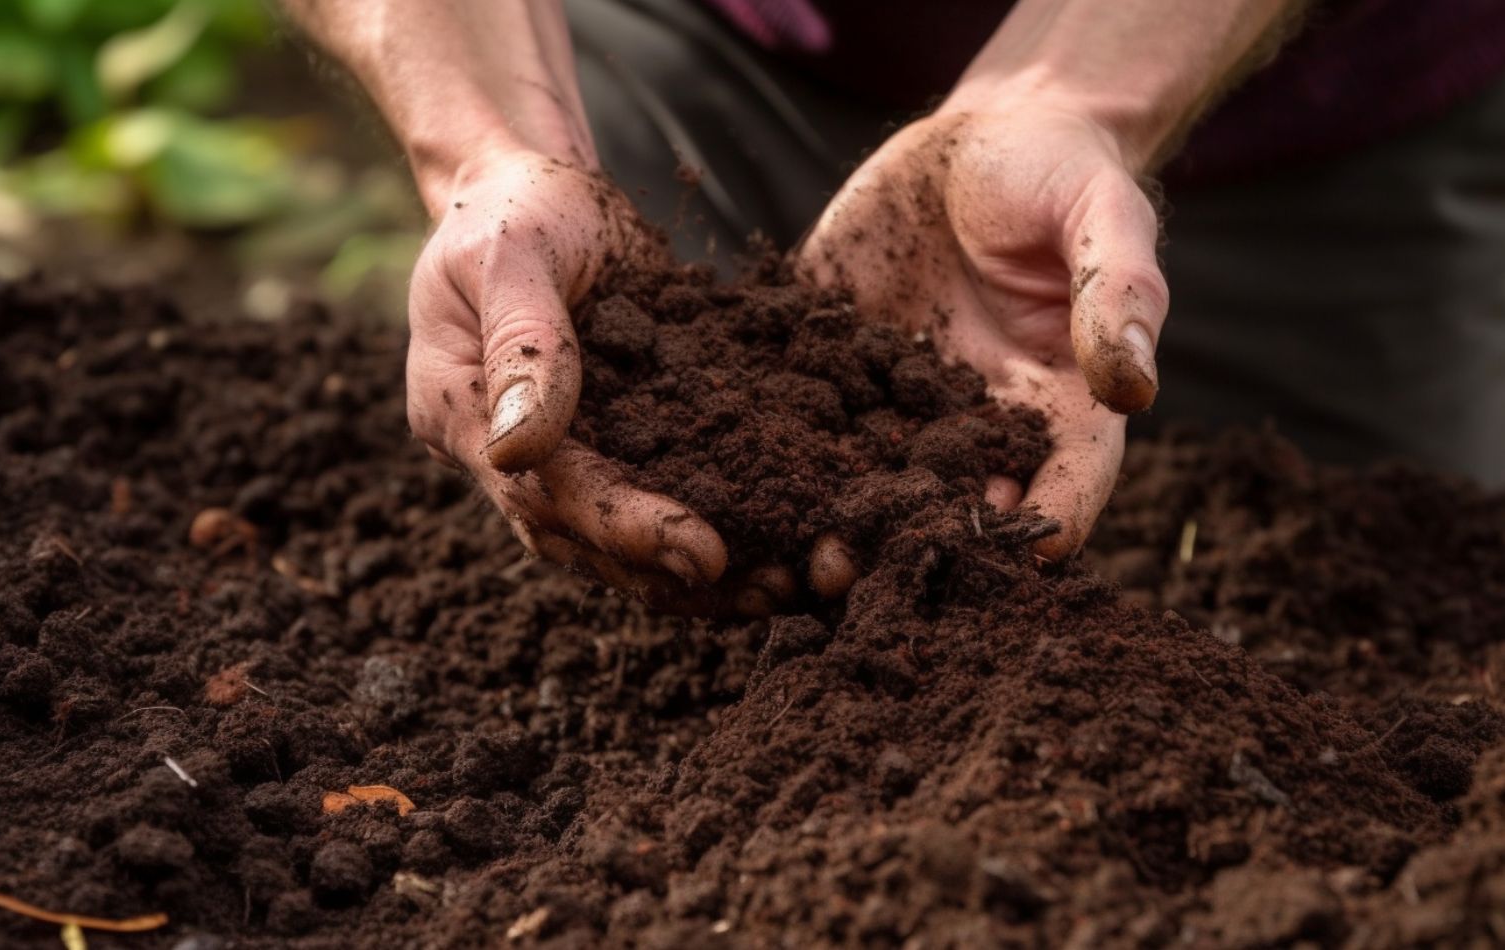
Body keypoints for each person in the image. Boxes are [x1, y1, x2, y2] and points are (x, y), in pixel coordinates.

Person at [281, 0, 1505, 606]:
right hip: (720, 53)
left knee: (1385, 601)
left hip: (1315, 144)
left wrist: (1075, 93)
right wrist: (490, 146)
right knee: (628, 515)